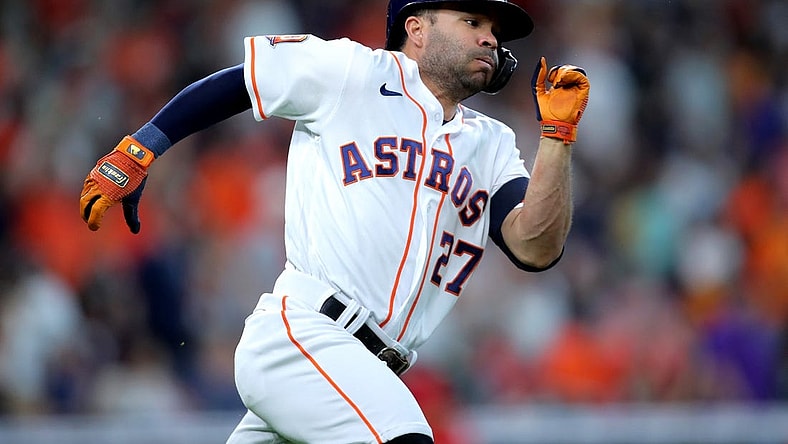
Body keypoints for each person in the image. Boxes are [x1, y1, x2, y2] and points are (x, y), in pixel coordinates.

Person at [79, 0, 589, 442]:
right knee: (406, 437)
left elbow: (535, 248)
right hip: (305, 334)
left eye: (495, 31)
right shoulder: (352, 72)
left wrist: (557, 137)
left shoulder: (493, 144)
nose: (489, 38)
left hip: (363, 372)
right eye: (473, 20)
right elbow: (243, 81)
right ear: (417, 28)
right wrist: (143, 146)